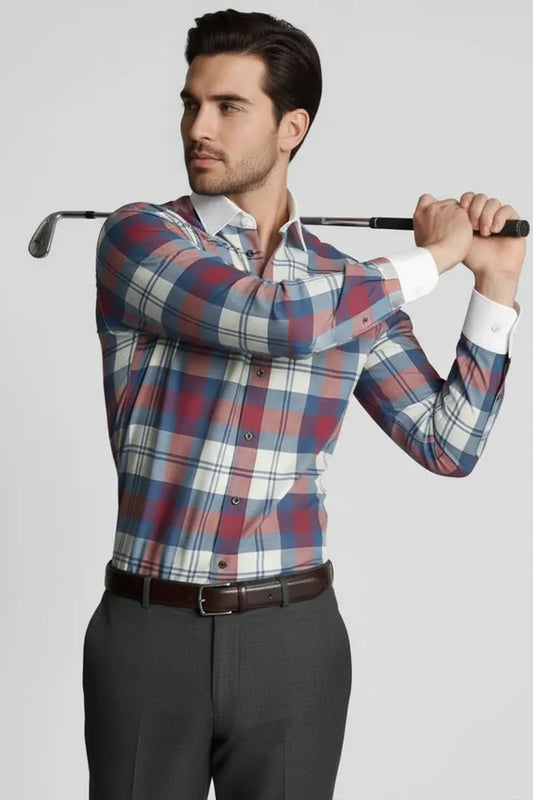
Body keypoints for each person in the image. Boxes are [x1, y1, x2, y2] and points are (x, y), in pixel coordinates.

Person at [83, 9, 524, 800]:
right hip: (150, 634)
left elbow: (447, 444)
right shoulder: (140, 238)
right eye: (191, 103)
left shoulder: (347, 288)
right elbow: (270, 320)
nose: (198, 127)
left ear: (291, 128)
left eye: (228, 107)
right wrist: (431, 258)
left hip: (294, 639)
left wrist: (492, 283)